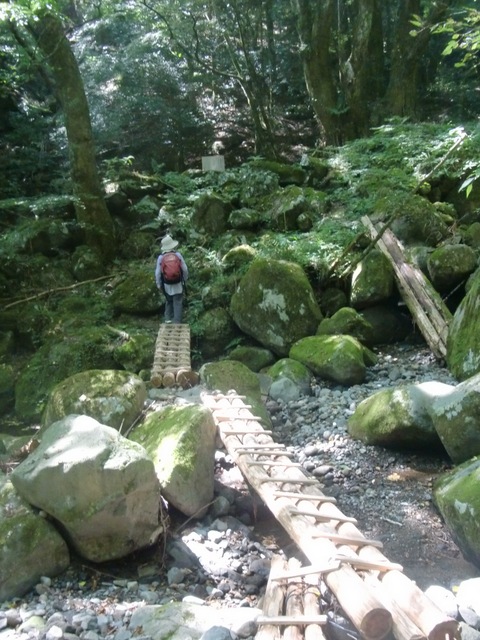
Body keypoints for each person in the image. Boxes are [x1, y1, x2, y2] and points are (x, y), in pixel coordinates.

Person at [155, 235, 188, 324]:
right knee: (178, 301)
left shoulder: (161, 258)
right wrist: (185, 279)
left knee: (169, 300)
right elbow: (184, 269)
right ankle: (177, 321)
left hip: (167, 284)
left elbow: (158, 273)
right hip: (178, 283)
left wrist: (158, 284)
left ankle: (168, 319)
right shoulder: (178, 255)